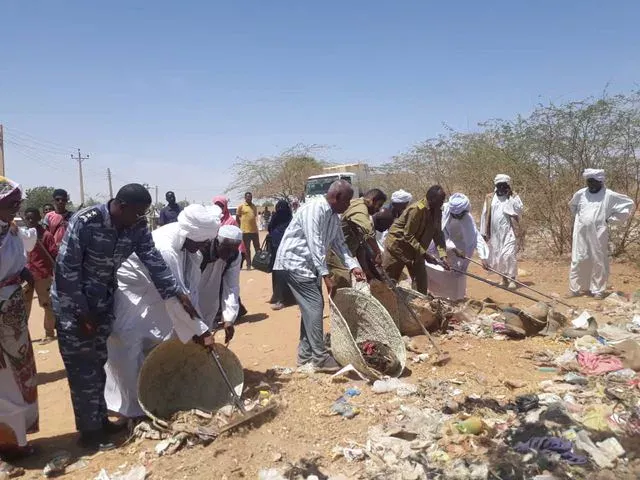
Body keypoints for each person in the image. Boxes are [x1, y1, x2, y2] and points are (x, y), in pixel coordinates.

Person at [51, 184, 199, 451]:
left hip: (104, 302)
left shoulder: (136, 226)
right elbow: (66, 270)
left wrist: (177, 292)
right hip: (73, 306)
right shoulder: (86, 221)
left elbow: (152, 259)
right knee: (82, 368)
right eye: (138, 212)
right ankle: (90, 434)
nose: (141, 218)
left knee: (97, 362)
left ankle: (99, 421)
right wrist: (82, 311)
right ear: (120, 206)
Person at [104, 205, 221, 419]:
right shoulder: (166, 249)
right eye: (203, 242)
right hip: (132, 293)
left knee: (161, 340)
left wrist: (200, 326)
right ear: (192, 235)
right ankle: (129, 409)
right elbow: (175, 296)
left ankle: (155, 395)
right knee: (127, 346)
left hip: (154, 294)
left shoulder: (187, 244)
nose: (205, 246)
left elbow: (190, 290)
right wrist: (201, 331)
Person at [273, 180, 365, 372]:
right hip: (294, 263)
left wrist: (353, 266)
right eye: (347, 200)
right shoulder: (314, 209)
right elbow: (314, 243)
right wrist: (326, 275)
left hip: (310, 267)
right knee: (315, 306)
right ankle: (319, 358)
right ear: (336, 197)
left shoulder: (333, 216)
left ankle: (305, 356)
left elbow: (340, 244)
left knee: (311, 308)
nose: (348, 205)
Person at [0, 177, 39, 477]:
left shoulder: (11, 230)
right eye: (11, 200)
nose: (18, 204)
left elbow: (17, 261)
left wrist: (27, 274)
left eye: (19, 199)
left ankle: (16, 443)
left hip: (12, 315)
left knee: (18, 378)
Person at [569, 169, 635, 299]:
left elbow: (629, 203)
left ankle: (598, 290)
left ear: (600, 181)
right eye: (589, 182)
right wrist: (579, 219)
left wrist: (611, 219)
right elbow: (573, 205)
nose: (591, 185)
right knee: (578, 258)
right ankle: (575, 289)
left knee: (598, 259)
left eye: (593, 182)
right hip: (581, 231)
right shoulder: (581, 193)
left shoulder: (609, 195)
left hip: (599, 232)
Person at [383, 185, 449, 294]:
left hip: (416, 250)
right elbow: (408, 235)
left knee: (421, 284)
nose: (442, 203)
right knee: (388, 282)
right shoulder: (417, 209)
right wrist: (425, 255)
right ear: (431, 199)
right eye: (440, 200)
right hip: (398, 248)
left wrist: (443, 255)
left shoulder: (438, 212)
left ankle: (419, 306)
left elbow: (438, 234)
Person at [425, 193, 489, 301]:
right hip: (442, 248)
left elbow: (475, 236)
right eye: (455, 215)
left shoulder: (467, 217)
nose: (458, 217)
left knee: (457, 275)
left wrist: (483, 256)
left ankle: (455, 300)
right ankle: (437, 297)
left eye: (460, 215)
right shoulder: (443, 213)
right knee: (438, 269)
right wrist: (453, 248)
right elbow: (440, 235)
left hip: (460, 251)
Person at [327, 189, 387, 290]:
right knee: (343, 281)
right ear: (372, 200)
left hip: (344, 252)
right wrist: (377, 253)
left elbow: (360, 244)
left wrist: (367, 270)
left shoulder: (361, 208)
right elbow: (368, 232)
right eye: (379, 205)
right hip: (335, 250)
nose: (378, 209)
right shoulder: (360, 209)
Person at [480, 174, 524, 290]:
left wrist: (510, 197)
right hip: (494, 233)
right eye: (499, 185)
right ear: (496, 185)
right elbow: (484, 215)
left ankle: (513, 278)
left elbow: (519, 210)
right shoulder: (490, 197)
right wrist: (483, 233)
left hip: (509, 230)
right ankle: (503, 278)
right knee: (498, 255)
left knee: (508, 254)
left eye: (504, 185)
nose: (501, 187)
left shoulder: (513, 196)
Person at [22, 207, 58, 344]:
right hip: (25, 276)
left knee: (47, 305)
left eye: (33, 218)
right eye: (28, 218)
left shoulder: (46, 235)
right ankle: (22, 336)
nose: (30, 221)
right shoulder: (22, 235)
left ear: (38, 219)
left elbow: (54, 254)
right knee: (24, 307)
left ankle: (49, 333)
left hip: (43, 276)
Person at [199, 225, 243, 333]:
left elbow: (231, 287)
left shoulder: (235, 256)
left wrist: (229, 319)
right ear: (218, 243)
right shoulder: (200, 252)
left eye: (234, 249)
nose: (230, 253)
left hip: (210, 300)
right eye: (227, 249)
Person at [212, 196, 248, 318]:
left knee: (229, 282)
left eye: (221, 206)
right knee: (219, 284)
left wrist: (237, 255)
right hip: (219, 255)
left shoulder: (231, 221)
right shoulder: (213, 221)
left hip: (233, 254)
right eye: (217, 206)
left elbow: (237, 241)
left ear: (225, 206)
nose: (219, 208)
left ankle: (231, 311)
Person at [267, 200, 294, 310]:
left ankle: (279, 298)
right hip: (287, 247)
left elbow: (269, 227)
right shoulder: (290, 217)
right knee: (286, 272)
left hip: (276, 247)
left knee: (278, 273)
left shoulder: (275, 216)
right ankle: (286, 297)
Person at [236, 192, 260, 269]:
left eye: (250, 197)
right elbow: (237, 217)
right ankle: (248, 265)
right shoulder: (241, 206)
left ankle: (258, 264)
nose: (249, 198)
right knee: (247, 249)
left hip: (254, 231)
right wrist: (240, 227)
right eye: (248, 197)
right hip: (245, 231)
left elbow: (254, 217)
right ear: (245, 198)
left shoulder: (254, 207)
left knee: (257, 248)